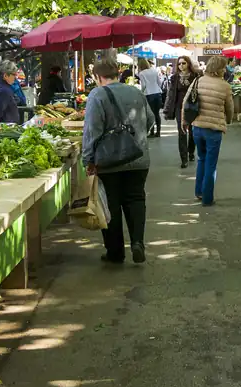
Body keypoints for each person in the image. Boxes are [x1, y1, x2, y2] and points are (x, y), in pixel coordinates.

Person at [82, 59, 155, 265]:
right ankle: (138, 243)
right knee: (135, 199)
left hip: (109, 161)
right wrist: (135, 137)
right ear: (117, 73)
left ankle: (115, 252)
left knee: (110, 204)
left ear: (97, 77)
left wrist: (88, 159)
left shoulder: (97, 95)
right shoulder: (136, 92)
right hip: (138, 157)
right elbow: (150, 119)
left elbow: (92, 130)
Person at [182, 56, 233, 206]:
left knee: (201, 159)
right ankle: (207, 198)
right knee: (211, 163)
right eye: (224, 67)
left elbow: (186, 102)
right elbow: (229, 108)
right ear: (220, 69)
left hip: (197, 127)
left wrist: (184, 121)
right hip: (214, 129)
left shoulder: (197, 81)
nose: (225, 70)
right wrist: (228, 120)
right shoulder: (225, 86)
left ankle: (199, 192)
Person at [164, 56, 200, 168]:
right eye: (179, 64)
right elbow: (170, 94)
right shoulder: (175, 77)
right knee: (182, 132)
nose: (181, 66)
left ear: (188, 64)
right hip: (179, 107)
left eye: (183, 63)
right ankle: (184, 159)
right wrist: (167, 109)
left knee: (192, 132)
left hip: (192, 107)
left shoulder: (195, 76)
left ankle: (191, 151)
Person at [137, 58, 163, 138]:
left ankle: (152, 132)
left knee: (150, 114)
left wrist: (141, 92)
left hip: (148, 94)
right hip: (157, 93)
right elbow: (159, 82)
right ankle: (158, 132)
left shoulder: (141, 73)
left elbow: (144, 85)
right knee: (157, 113)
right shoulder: (154, 71)